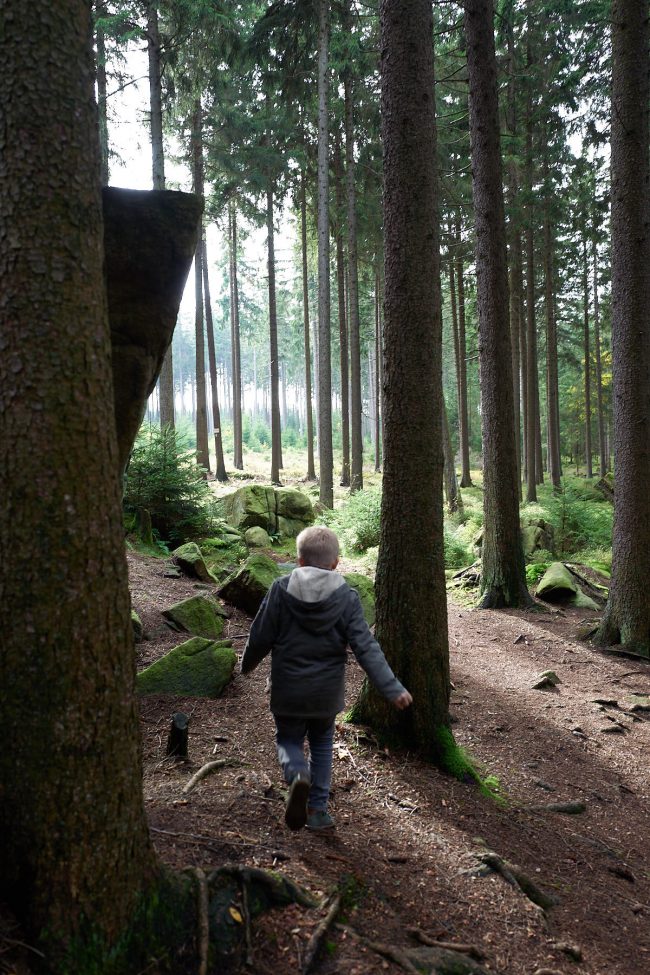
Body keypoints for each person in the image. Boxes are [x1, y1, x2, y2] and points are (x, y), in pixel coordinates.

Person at [241, 525, 412, 831]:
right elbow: (366, 647)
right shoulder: (347, 596)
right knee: (321, 745)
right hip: (326, 694)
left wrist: (247, 665)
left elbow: (261, 635)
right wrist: (392, 688)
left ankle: (297, 774)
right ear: (335, 562)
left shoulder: (280, 589)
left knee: (288, 740)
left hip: (288, 689)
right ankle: (317, 810)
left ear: (299, 560)